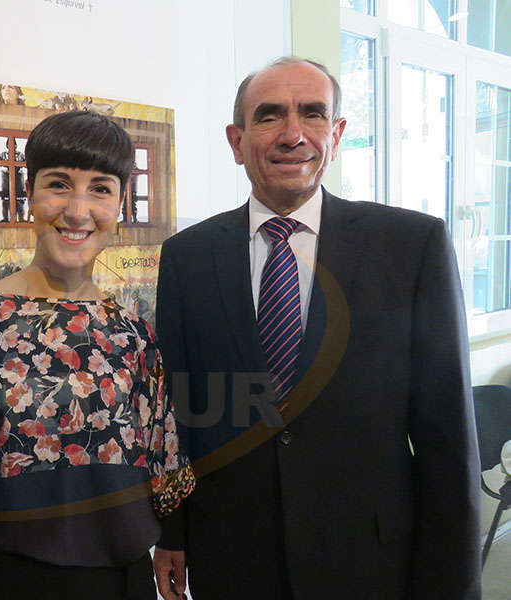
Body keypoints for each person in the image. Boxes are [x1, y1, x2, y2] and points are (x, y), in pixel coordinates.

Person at [152, 57, 481, 600]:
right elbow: (179, 413)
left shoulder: (410, 246)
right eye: (269, 117)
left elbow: (448, 436)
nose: (292, 134)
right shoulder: (187, 257)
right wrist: (173, 531)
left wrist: (453, 579)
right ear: (236, 142)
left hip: (371, 560)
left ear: (337, 133)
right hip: (233, 559)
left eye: (312, 114)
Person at [0, 110, 194, 599]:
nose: (77, 210)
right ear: (29, 196)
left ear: (121, 204)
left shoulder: (133, 335)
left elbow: (164, 464)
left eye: (100, 188)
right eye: (59, 184)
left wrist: (173, 542)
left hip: (118, 582)